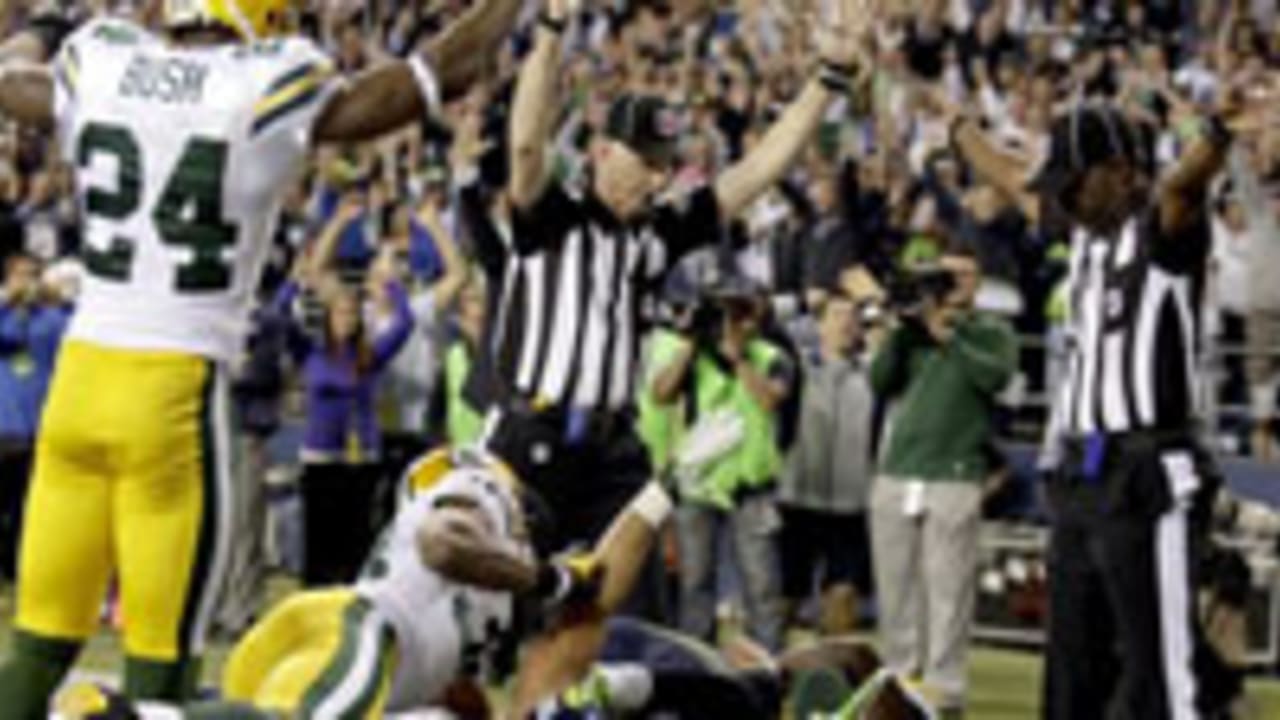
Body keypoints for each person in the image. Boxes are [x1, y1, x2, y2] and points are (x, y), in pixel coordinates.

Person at [0, 0, 522, 709]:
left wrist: (36, 30)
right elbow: (425, 78)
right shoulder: (267, 78)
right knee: (163, 656)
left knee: (37, 641)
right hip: (173, 396)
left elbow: (14, 80)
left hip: (79, 387)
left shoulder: (105, 55)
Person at [483, 0, 882, 612]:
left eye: (666, 166)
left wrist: (825, 80)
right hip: (531, 437)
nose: (658, 179)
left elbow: (757, 172)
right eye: (646, 161)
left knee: (629, 622)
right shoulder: (554, 216)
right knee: (498, 619)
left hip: (614, 449)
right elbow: (526, 149)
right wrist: (551, 33)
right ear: (601, 152)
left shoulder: (657, 234)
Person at [935, 85, 1268, 717]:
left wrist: (1218, 135)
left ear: (1119, 173)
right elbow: (1010, 177)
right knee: (1070, 675)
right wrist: (954, 126)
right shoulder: (1084, 228)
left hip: (1149, 474)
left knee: (1162, 677)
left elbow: (1183, 187)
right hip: (1080, 479)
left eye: (1074, 180)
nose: (1059, 195)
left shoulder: (1163, 228)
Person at [59, 446, 676, 719]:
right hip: (362, 636)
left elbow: (593, 593)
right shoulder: (475, 493)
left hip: (343, 661)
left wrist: (658, 496)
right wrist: (544, 579)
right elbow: (444, 543)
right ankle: (119, 716)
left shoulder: (486, 592)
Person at [867, 245, 1018, 716]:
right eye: (943, 275)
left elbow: (995, 378)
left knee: (948, 590)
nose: (951, 284)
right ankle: (899, 678)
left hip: (954, 471)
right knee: (895, 588)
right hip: (898, 469)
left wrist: (947, 336)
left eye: (962, 275)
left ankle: (944, 692)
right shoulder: (909, 335)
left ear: (977, 282)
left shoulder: (993, 332)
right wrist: (901, 329)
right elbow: (879, 380)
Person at [652, 277, 792, 652]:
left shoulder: (771, 356)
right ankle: (696, 663)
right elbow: (660, 394)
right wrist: (690, 343)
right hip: (700, 485)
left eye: (741, 313)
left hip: (752, 486)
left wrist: (739, 359)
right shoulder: (695, 356)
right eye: (726, 314)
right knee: (696, 582)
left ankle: (768, 664)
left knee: (761, 585)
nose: (735, 323)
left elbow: (770, 399)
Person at [271, 237, 414, 587]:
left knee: (357, 538)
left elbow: (405, 322)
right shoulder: (311, 352)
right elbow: (277, 316)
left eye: (353, 313)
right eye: (340, 313)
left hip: (360, 457)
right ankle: (317, 596)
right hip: (321, 456)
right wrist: (294, 282)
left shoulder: (370, 356)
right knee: (320, 539)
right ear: (329, 316)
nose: (347, 320)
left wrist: (388, 282)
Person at [778, 290, 876, 637]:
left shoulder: (873, 372)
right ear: (818, 325)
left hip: (852, 504)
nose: (847, 323)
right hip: (797, 499)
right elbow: (764, 326)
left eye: (853, 316)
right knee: (784, 598)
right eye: (837, 315)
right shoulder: (796, 367)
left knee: (843, 595)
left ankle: (831, 681)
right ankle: (771, 672)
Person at [0, 252, 70, 582]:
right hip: (4, 426)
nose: (26, 283)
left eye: (33, 275)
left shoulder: (53, 319)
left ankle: (18, 570)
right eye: (19, 276)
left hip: (39, 428)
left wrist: (58, 300)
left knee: (27, 508)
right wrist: (7, 302)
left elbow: (73, 342)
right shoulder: (4, 317)